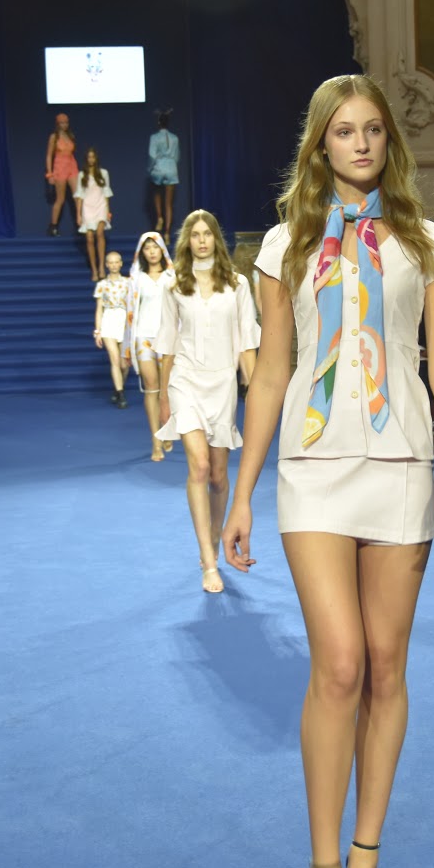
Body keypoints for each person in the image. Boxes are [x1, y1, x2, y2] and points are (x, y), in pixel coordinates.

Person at [222, 74, 434, 868]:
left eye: (373, 128)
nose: (361, 142)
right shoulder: (284, 245)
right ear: (320, 144)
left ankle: (366, 854)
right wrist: (241, 491)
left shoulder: (427, 242)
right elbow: (271, 371)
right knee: (338, 663)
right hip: (312, 467)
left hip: (402, 463)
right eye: (344, 130)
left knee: (385, 665)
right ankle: (324, 865)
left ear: (388, 139)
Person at [155, 211, 259, 594]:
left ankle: (215, 536)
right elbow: (167, 345)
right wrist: (164, 398)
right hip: (185, 380)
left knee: (218, 476)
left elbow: (247, 343)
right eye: (195, 234)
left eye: (207, 234)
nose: (201, 240)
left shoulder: (237, 284)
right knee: (198, 466)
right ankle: (208, 561)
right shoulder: (173, 285)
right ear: (187, 240)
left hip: (222, 384)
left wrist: (257, 392)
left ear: (217, 238)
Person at [123, 231, 175, 461]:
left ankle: (167, 429)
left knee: (167, 389)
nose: (152, 252)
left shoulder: (173, 276)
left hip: (168, 337)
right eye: (147, 248)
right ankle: (156, 442)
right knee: (151, 387)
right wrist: (126, 348)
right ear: (141, 252)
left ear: (162, 249)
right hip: (143, 337)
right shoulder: (136, 279)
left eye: (155, 247)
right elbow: (129, 315)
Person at [93, 251, 131, 409]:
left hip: (125, 321)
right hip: (109, 321)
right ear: (107, 265)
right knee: (114, 359)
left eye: (117, 262)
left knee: (124, 364)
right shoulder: (102, 285)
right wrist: (98, 331)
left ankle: (118, 388)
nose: (114, 265)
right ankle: (121, 394)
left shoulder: (129, 282)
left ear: (121, 263)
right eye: (111, 262)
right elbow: (99, 309)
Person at [76, 148, 114, 282]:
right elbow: (80, 196)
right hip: (87, 208)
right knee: (89, 239)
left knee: (100, 234)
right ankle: (94, 270)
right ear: (86, 159)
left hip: (100, 206)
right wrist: (78, 214)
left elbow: (106, 192)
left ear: (96, 158)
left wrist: (108, 211)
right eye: (89, 157)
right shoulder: (82, 175)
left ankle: (102, 267)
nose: (91, 159)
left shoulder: (103, 173)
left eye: (93, 157)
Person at [45, 113, 79, 237]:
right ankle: (53, 227)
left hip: (72, 166)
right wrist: (50, 174)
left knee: (78, 197)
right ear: (58, 124)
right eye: (62, 123)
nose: (64, 125)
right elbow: (49, 156)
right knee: (60, 199)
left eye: (66, 122)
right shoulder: (54, 137)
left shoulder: (70, 136)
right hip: (60, 167)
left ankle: (81, 224)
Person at [148, 109, 180, 235]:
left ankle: (159, 216)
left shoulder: (154, 137)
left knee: (156, 193)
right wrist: (172, 165)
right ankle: (167, 233)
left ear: (158, 123)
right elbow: (177, 156)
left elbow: (152, 155)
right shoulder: (175, 138)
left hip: (159, 168)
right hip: (171, 168)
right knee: (169, 204)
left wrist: (150, 169)